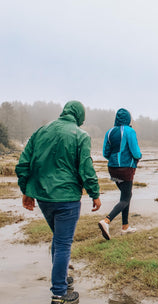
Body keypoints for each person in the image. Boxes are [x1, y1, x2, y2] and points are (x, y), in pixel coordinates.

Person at [16, 101, 101, 304]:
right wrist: (94, 193)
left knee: (58, 239)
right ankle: (60, 294)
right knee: (63, 243)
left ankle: (61, 279)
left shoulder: (41, 131)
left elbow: (23, 163)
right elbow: (86, 168)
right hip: (67, 198)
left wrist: (26, 191)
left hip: (44, 198)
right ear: (80, 116)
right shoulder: (80, 136)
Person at [98, 108, 142, 240]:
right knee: (125, 198)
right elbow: (135, 152)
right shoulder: (129, 131)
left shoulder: (109, 132)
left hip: (113, 169)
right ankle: (106, 221)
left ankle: (125, 226)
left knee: (126, 195)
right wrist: (139, 156)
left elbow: (106, 153)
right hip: (126, 169)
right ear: (128, 118)